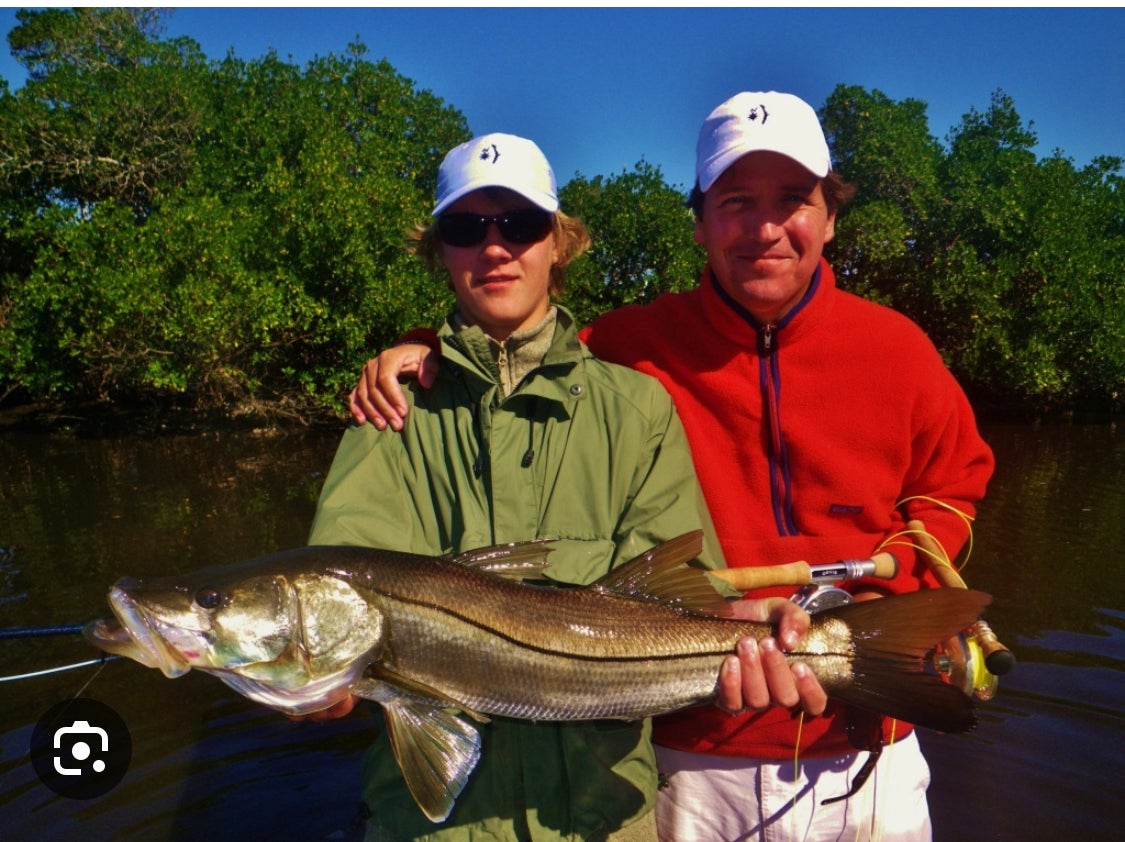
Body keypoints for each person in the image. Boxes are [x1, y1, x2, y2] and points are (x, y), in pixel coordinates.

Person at [348, 92, 996, 841]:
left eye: (791, 200)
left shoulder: (900, 348)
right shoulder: (628, 346)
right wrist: (420, 347)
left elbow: (952, 489)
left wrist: (905, 579)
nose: (762, 228)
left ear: (829, 216)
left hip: (867, 743)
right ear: (698, 222)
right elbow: (514, 342)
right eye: (734, 202)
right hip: (696, 750)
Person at [307, 131, 823, 842]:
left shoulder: (636, 408)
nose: (494, 248)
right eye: (465, 228)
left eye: (520, 225)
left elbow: (680, 591)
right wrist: (313, 685)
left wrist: (740, 633)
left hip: (602, 819)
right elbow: (333, 606)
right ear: (440, 253)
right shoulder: (388, 412)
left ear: (559, 243)